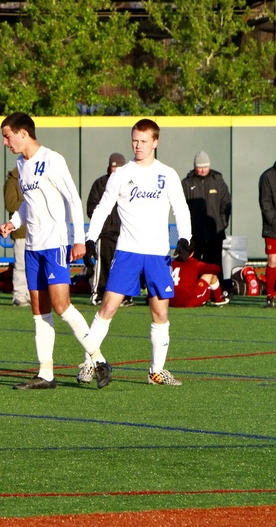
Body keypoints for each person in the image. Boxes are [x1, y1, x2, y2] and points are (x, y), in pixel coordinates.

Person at [0, 112, 110, 391]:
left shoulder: (52, 159)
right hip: (32, 246)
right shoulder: (20, 165)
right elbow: (28, 204)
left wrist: (80, 240)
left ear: (23, 133)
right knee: (39, 309)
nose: (5, 142)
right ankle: (45, 373)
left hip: (55, 244)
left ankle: (98, 360)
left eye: (7, 135)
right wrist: (13, 222)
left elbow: (73, 198)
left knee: (61, 306)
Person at [84, 118, 192, 386]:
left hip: (157, 254)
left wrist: (185, 238)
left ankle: (156, 371)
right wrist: (89, 238)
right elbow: (103, 207)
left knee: (160, 313)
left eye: (144, 141)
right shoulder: (121, 174)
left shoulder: (167, 174)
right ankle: (88, 364)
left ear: (155, 142)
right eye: (135, 140)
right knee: (108, 307)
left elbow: (181, 208)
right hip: (128, 253)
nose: (138, 145)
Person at [85, 153, 133, 307]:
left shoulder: (131, 183)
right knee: (103, 264)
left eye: (119, 167)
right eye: (113, 166)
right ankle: (98, 294)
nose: (116, 169)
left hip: (124, 233)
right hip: (105, 234)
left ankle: (124, 296)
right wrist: (104, 225)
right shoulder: (100, 183)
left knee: (123, 266)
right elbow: (92, 208)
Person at [181, 150, 231, 274]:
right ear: (195, 167)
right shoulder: (187, 183)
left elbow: (226, 201)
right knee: (194, 265)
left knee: (214, 265)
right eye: (200, 167)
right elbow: (181, 206)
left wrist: (222, 223)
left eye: (205, 167)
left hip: (215, 233)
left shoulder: (217, 180)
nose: (203, 170)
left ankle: (217, 291)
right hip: (195, 235)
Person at [170, 243, 229, 308]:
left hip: (170, 300)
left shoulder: (171, 263)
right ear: (192, 253)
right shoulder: (194, 263)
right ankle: (219, 301)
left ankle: (217, 300)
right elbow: (217, 269)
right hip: (188, 301)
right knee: (211, 274)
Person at [3, 167, 29, 307]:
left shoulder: (35, 176)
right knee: (20, 265)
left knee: (33, 266)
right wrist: (32, 203)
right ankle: (19, 295)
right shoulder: (12, 181)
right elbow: (10, 204)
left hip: (36, 230)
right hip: (20, 230)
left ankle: (31, 294)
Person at [258, 148, 276, 309]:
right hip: (273, 228)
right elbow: (265, 203)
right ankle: (270, 296)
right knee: (272, 260)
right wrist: (274, 221)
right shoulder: (268, 176)